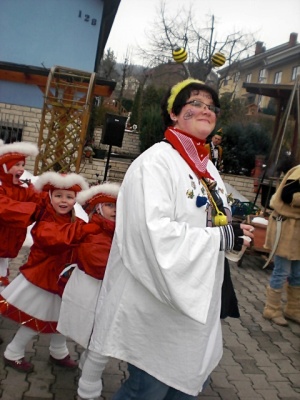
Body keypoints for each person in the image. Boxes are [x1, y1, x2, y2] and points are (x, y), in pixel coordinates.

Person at [76, 78, 254, 400]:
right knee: (147, 390)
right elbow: (152, 232)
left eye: (211, 106)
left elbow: (214, 223)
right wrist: (218, 238)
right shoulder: (155, 163)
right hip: (155, 304)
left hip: (194, 307)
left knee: (182, 389)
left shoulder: (208, 169)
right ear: (173, 113)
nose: (206, 110)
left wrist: (234, 236)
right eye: (195, 104)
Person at [0, 171, 97, 373]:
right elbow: (54, 239)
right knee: (35, 319)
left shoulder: (77, 222)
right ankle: (13, 352)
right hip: (42, 280)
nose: (64, 201)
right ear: (50, 197)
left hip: (63, 282)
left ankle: (58, 351)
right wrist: (85, 232)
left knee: (63, 318)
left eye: (69, 197)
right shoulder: (45, 220)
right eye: (58, 195)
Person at [57, 181, 120, 349]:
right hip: (89, 288)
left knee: (94, 331)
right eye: (109, 205)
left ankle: (65, 354)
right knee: (89, 329)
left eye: (118, 206)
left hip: (102, 289)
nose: (115, 209)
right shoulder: (94, 230)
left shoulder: (115, 231)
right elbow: (99, 264)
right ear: (98, 208)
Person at [0, 140, 44, 291]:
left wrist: (57, 199)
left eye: (22, 165)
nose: (21, 169)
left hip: (6, 245)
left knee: (2, 273)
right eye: (16, 165)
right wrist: (33, 211)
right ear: (4, 167)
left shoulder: (23, 187)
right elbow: (4, 207)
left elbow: (39, 199)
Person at [263, 164, 300, 326]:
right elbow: (287, 195)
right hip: (286, 227)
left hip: (297, 230)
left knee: (298, 273)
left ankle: (293, 309)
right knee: (282, 271)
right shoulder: (298, 171)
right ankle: (272, 309)